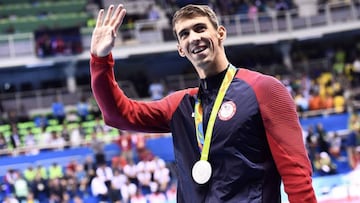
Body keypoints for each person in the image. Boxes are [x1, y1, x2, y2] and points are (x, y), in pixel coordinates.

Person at [90, 4, 316, 202]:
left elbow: (296, 173)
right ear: (180, 48)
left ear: (220, 33)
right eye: (184, 34)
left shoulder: (264, 89)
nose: (194, 38)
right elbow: (118, 114)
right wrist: (100, 60)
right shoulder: (181, 105)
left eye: (200, 28)